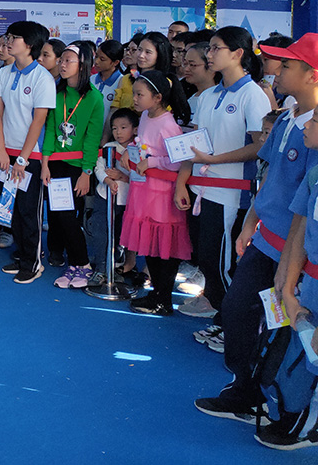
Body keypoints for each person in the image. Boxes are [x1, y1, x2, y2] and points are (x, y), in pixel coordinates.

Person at [194, 34, 318, 423]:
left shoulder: (315, 130)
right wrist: (250, 222)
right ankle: (246, 390)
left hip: (296, 252)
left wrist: (293, 265)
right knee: (236, 313)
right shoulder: (283, 117)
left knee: (288, 332)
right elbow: (267, 174)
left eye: (288, 65)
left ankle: (286, 409)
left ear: (312, 76)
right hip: (265, 239)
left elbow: (304, 205)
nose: (277, 70)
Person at [175, 26, 271, 347]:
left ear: (238, 54)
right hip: (205, 191)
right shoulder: (209, 95)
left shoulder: (253, 94)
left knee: (223, 265)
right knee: (208, 261)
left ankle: (239, 330)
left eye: (216, 48)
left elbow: (261, 146)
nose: (210, 54)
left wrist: (215, 160)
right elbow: (196, 141)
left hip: (233, 194)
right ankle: (224, 320)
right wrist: (183, 182)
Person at [119, 70, 191, 314]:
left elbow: (176, 161)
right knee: (150, 244)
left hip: (160, 193)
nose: (135, 99)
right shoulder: (148, 117)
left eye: (140, 94)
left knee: (164, 248)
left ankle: (163, 298)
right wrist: (131, 149)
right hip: (144, 189)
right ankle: (156, 295)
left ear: (158, 97)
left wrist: (150, 162)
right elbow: (142, 144)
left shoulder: (168, 125)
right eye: (134, 94)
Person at [0, 21, 57, 284]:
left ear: (29, 44)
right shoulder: (4, 73)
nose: (8, 41)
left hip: (28, 156)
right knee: (12, 208)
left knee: (29, 211)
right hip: (6, 154)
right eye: (8, 36)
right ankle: (21, 255)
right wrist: (1, 151)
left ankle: (33, 262)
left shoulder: (42, 78)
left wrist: (22, 158)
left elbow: (38, 121)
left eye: (14, 37)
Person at [267, 116, 318, 449]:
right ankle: (296, 416)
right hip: (309, 285)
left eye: (314, 120)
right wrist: (286, 282)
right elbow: (299, 228)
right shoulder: (315, 173)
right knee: (301, 357)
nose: (306, 125)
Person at [41, 43, 104, 288]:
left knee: (68, 217)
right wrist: (45, 163)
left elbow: (91, 138)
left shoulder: (94, 97)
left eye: (68, 60)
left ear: (84, 65)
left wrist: (87, 172)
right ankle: (73, 264)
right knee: (58, 216)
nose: (62, 64)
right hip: (55, 165)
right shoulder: (57, 93)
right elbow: (49, 132)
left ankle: (82, 264)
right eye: (62, 60)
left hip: (77, 167)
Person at [87, 108, 139, 282]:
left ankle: (116, 266)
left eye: (123, 127)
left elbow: (141, 176)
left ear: (135, 129)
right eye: (114, 128)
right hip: (105, 197)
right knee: (101, 230)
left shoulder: (138, 150)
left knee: (120, 234)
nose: (118, 132)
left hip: (127, 200)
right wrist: (108, 181)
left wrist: (123, 177)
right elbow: (99, 168)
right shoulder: (109, 147)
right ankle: (101, 267)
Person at [93, 40, 124, 122]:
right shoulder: (90, 80)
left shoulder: (122, 82)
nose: (96, 61)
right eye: (96, 56)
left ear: (115, 62)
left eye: (102, 59)